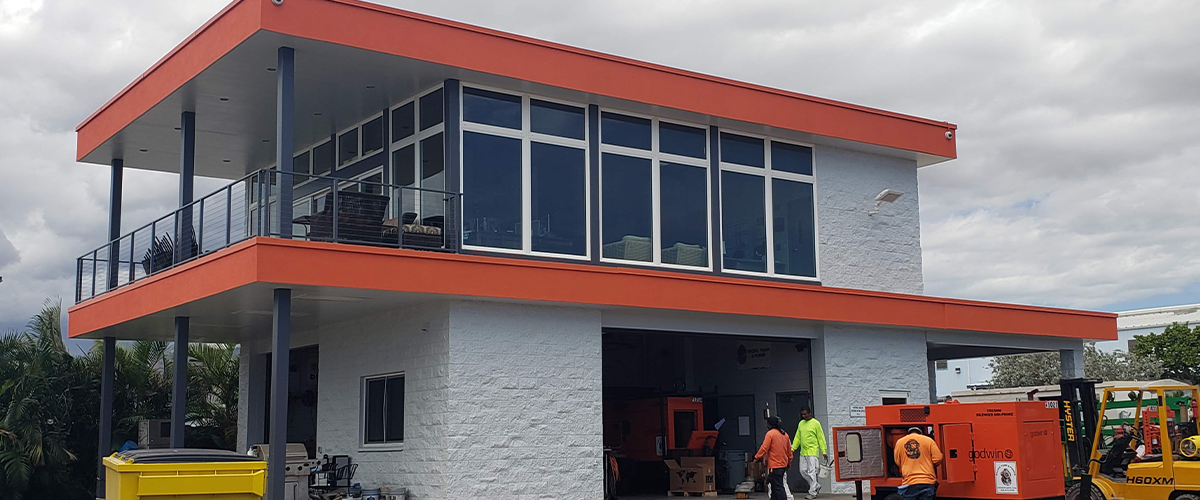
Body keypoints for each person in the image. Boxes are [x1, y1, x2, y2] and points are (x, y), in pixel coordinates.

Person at [893, 427, 943, 500]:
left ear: (908, 433)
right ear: (921, 433)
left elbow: (897, 461)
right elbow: (938, 458)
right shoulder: (928, 441)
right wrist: (930, 465)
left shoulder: (900, 442)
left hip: (909, 482)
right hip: (927, 481)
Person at [791, 407, 828, 499]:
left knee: (812, 472)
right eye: (802, 414)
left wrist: (824, 451)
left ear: (809, 413)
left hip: (812, 451)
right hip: (803, 451)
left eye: (805, 414)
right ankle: (816, 485)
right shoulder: (801, 423)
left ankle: (812, 492)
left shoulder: (816, 423)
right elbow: (797, 437)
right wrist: (792, 448)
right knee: (802, 471)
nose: (803, 416)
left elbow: (821, 437)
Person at [755, 416, 794, 500]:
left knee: (778, 487)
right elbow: (789, 451)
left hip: (775, 465)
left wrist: (757, 457)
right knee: (774, 487)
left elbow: (764, 448)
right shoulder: (785, 434)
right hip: (783, 465)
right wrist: (789, 462)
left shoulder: (770, 434)